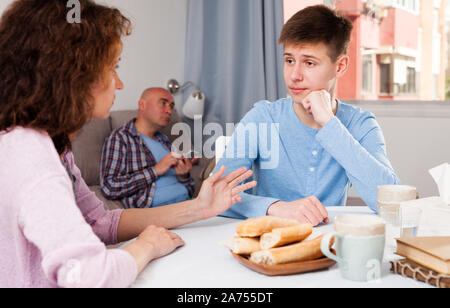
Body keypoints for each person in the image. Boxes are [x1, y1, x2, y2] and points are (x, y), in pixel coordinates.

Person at [0, 0, 255, 288]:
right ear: (73, 75)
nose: (119, 84)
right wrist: (145, 246)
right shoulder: (30, 155)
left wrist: (200, 207)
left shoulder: (55, 148)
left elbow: (99, 222)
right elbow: (89, 276)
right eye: (113, 68)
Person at [213, 5, 400, 225]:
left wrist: (330, 124)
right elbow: (217, 195)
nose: (294, 76)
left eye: (309, 63)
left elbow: (393, 202)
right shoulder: (263, 117)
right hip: (269, 239)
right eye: (289, 60)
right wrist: (275, 207)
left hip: (327, 245)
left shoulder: (360, 124)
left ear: (340, 67)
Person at [100, 87, 196, 209]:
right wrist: (155, 170)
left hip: (188, 203)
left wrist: (184, 176)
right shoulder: (120, 138)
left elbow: (190, 188)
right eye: (163, 103)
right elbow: (109, 188)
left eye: (171, 106)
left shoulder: (164, 140)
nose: (169, 110)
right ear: (142, 104)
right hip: (161, 211)